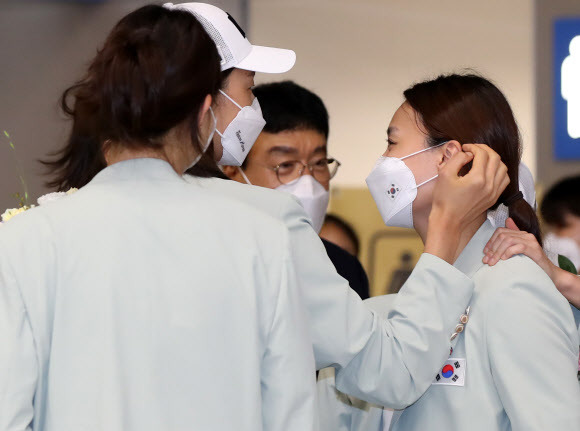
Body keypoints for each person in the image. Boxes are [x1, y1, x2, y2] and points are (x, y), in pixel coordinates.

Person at [46, 1, 511, 411]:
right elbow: (388, 370)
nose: (256, 111)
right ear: (207, 103)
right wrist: (447, 229)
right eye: (248, 90)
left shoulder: (44, 229)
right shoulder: (264, 225)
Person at [0, 6, 316, 430]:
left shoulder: (27, 241)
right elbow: (290, 415)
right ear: (206, 110)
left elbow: (10, 413)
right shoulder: (263, 239)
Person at [364, 73, 579, 430]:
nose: (382, 161)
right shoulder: (436, 283)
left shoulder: (511, 286)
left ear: (449, 157)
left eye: (392, 143)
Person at [220, 80, 370, 299]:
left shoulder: (342, 269)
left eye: (319, 163)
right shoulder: (212, 257)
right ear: (232, 169)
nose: (307, 183)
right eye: (286, 165)